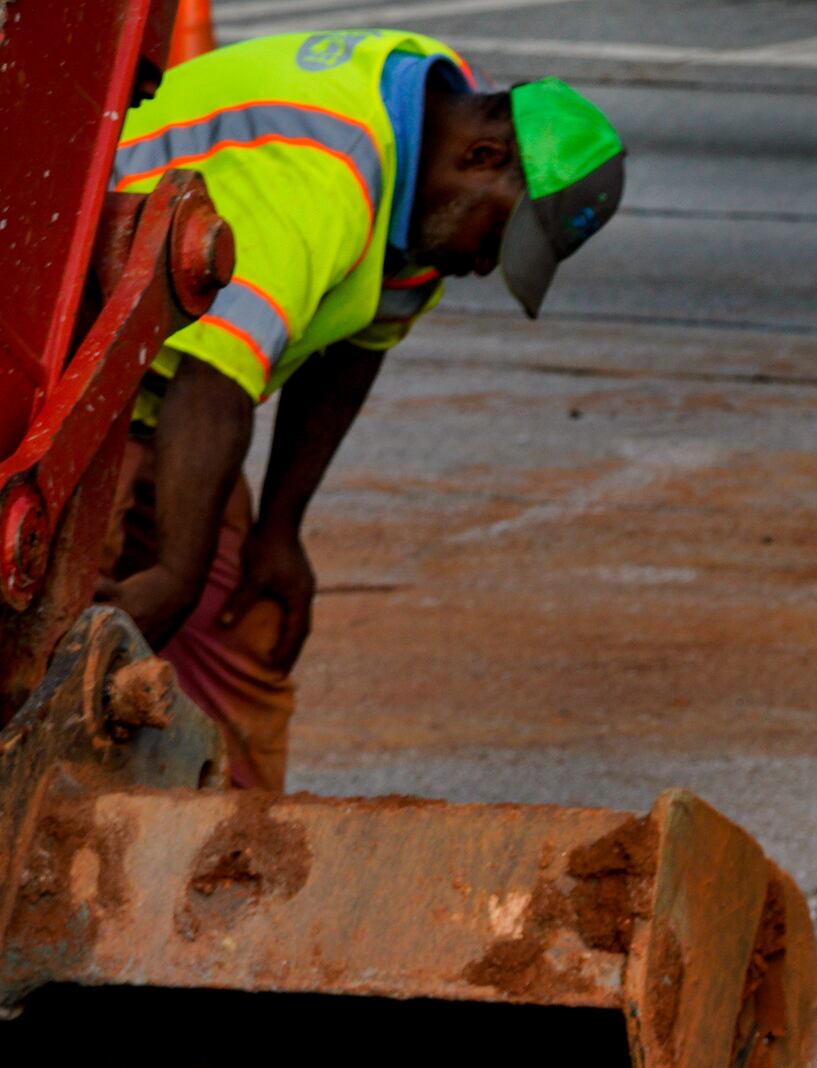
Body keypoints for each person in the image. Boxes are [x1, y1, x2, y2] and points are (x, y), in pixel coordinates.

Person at [100, 31, 627, 788]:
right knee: (63, 646)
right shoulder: (332, 169)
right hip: (73, 394)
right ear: (482, 159)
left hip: (160, 402)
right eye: (497, 239)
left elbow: (356, 345)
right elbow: (216, 376)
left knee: (240, 634)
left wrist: (281, 529)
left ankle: (231, 863)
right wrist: (176, 573)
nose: (481, 266)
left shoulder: (425, 184)